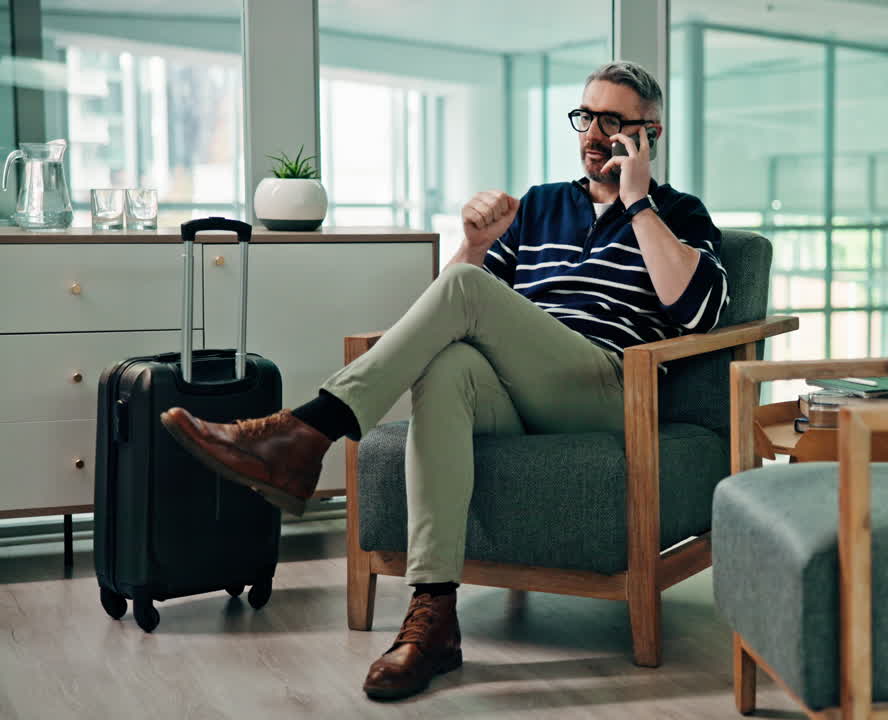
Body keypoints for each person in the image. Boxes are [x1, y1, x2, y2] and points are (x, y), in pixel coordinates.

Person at [159, 61, 728, 701]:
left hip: (605, 387)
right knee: (448, 362)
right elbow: (449, 313)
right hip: (520, 389)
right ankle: (433, 616)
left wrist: (639, 200)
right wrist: (477, 245)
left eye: (613, 122)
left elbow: (695, 310)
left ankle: (307, 433)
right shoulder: (541, 204)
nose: (593, 134)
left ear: (649, 134)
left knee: (463, 290)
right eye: (585, 117)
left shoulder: (679, 213)